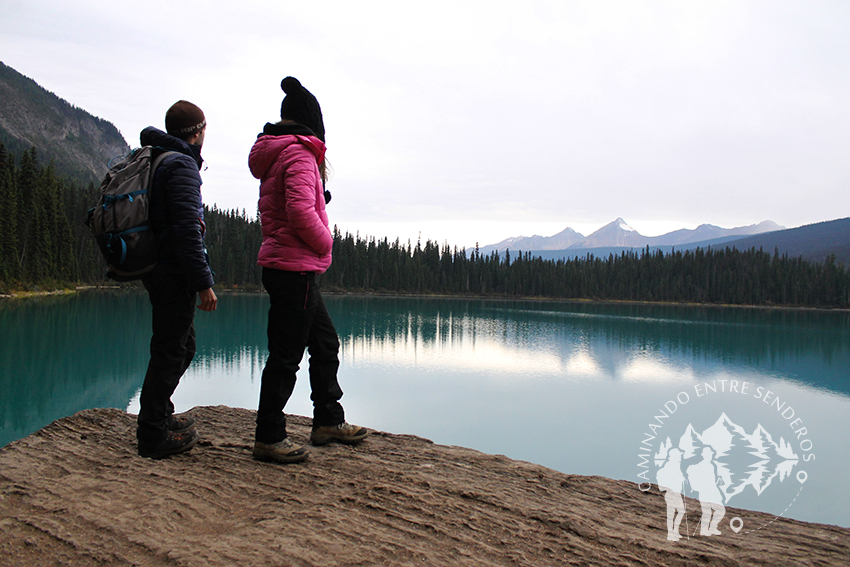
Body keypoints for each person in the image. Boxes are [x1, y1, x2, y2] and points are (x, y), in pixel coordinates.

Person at [249, 76, 367, 464]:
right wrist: (327, 243)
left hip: (291, 266)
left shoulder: (281, 153)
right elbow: (299, 212)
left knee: (325, 343)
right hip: (293, 268)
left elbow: (289, 205)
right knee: (286, 356)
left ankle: (328, 420)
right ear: (311, 125)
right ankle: (268, 436)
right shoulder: (299, 154)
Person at [136, 100, 217, 459]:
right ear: (197, 131)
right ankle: (152, 435)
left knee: (182, 346)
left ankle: (160, 415)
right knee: (171, 350)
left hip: (158, 267)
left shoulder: (157, 157)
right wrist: (203, 282)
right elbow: (187, 229)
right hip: (172, 271)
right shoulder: (182, 164)